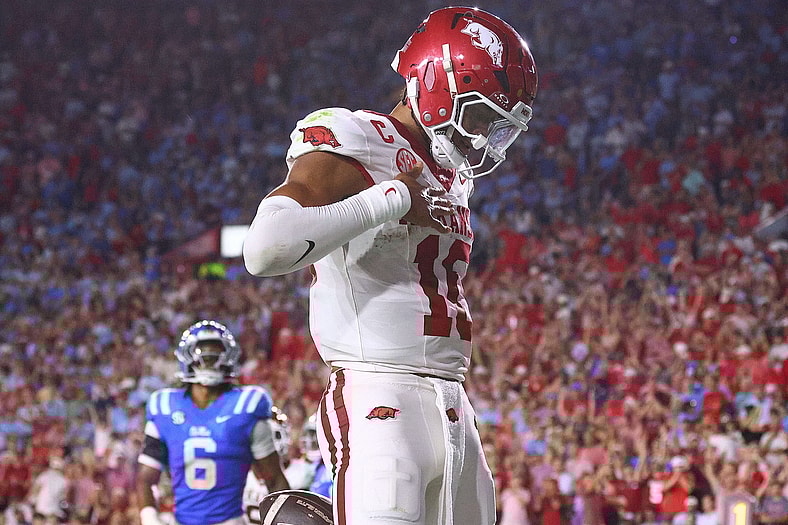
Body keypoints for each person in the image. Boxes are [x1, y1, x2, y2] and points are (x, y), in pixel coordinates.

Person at [243, 6, 537, 524]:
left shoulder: (453, 177)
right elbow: (265, 247)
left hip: (454, 405)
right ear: (435, 83)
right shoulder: (360, 136)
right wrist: (390, 199)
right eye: (479, 114)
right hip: (379, 394)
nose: (482, 135)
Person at [136, 320, 289, 525]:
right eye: (203, 353)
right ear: (187, 357)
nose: (208, 360)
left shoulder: (246, 405)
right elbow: (146, 478)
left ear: (228, 357)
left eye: (215, 353)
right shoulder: (164, 406)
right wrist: (149, 518)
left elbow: (274, 479)